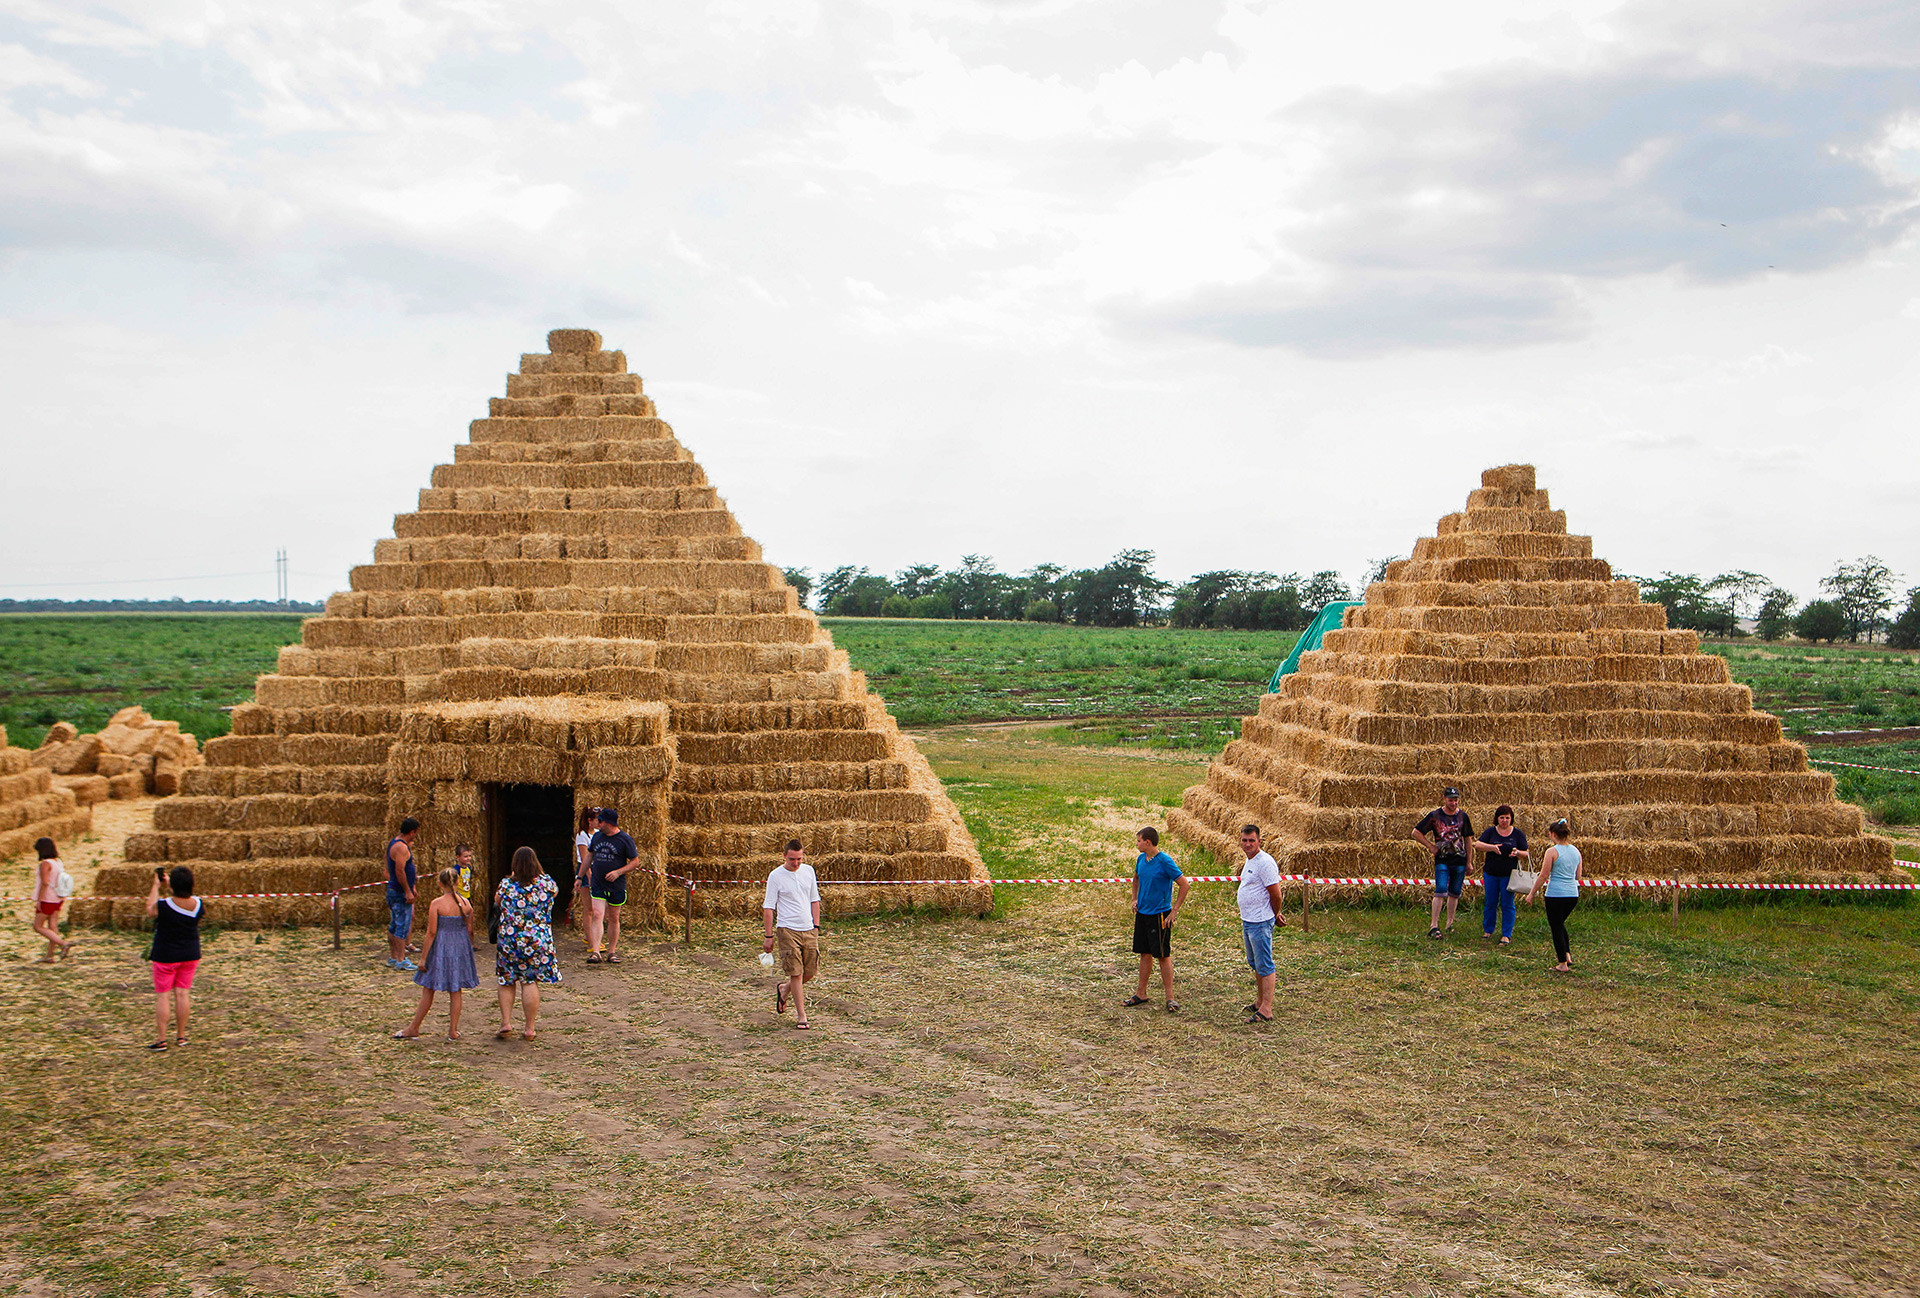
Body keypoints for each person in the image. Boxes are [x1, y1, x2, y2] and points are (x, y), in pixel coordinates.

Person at [395, 866, 479, 1041]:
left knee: (429, 988)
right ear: (457, 882)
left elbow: (431, 933)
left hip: (440, 948)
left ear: (440, 884)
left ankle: (414, 1027)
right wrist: (468, 947)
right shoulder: (466, 903)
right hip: (460, 948)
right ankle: (453, 1031)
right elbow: (470, 930)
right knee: (456, 990)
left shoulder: (436, 904)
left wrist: (423, 958)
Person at [494, 846, 561, 1040]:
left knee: (506, 980)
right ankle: (529, 1028)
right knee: (529, 981)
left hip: (510, 940)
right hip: (537, 941)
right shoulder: (546, 884)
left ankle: (506, 1022)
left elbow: (497, 901)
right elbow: (555, 894)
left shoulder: (506, 884)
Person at [1123, 827, 1190, 1012]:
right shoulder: (1141, 859)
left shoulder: (1165, 861)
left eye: (1138, 841)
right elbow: (1135, 878)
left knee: (1162, 955)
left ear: (1148, 842)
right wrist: (1134, 899)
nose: (1136, 844)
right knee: (1144, 953)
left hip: (1160, 916)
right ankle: (1141, 993)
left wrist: (1174, 911)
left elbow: (1184, 885)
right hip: (1143, 914)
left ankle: (1170, 998)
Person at [762, 839, 822, 1030]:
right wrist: (768, 936)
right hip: (787, 929)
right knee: (796, 973)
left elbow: (815, 900)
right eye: (792, 859)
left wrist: (816, 927)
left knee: (810, 972)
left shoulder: (809, 871)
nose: (796, 863)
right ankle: (801, 1016)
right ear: (784, 856)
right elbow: (769, 907)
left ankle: (784, 988)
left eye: (799, 859)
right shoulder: (775, 876)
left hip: (808, 928)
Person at [145, 865, 203, 1050]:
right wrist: (174, 885)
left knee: (163, 997)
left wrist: (156, 885)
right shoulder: (198, 904)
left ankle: (162, 1039)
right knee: (182, 994)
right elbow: (184, 898)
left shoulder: (164, 906)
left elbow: (150, 909)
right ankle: (181, 1036)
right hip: (190, 954)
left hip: (166, 955)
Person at [1235, 825, 1286, 1023]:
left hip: (1260, 921)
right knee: (1255, 962)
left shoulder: (1265, 863)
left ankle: (1266, 1008)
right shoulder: (1251, 861)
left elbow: (1276, 894)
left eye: (1251, 841)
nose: (1247, 844)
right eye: (1244, 840)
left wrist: (1275, 914)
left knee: (1264, 964)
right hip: (1248, 920)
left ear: (1259, 841)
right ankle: (1259, 1002)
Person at [1412, 788, 1473, 939]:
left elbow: (1468, 839)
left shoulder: (1463, 816)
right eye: (1451, 800)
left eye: (1456, 800)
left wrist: (1469, 861)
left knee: (1455, 892)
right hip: (1442, 860)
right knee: (1440, 889)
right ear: (1444, 799)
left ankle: (1449, 924)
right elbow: (1416, 832)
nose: (1453, 803)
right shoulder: (1435, 816)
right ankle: (1434, 925)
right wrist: (1430, 846)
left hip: (1459, 859)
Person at [1525, 819, 1583, 972]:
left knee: (1556, 927)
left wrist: (1531, 893)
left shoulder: (1552, 852)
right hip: (1572, 893)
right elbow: (1578, 876)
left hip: (1556, 894)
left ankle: (1562, 963)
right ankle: (1567, 954)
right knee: (1560, 924)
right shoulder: (1576, 851)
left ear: (1553, 834)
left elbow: (1544, 875)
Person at [584, 807, 639, 964]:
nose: (597, 823)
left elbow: (635, 862)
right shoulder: (597, 837)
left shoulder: (625, 839)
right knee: (597, 914)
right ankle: (595, 952)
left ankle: (612, 951)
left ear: (608, 823)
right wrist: (580, 876)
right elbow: (589, 856)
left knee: (613, 917)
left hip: (616, 885)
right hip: (598, 882)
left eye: (600, 821)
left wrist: (618, 872)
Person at [1470, 806, 1529, 947]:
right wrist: (1492, 848)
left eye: (1507, 818)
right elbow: (1477, 845)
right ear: (1497, 818)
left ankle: (1506, 934)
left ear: (1511, 819)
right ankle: (1488, 930)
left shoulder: (1517, 834)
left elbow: (1526, 853)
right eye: (1501, 817)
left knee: (1508, 904)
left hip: (1509, 875)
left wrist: (1517, 853)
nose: (1504, 820)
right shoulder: (1490, 832)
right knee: (1490, 902)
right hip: (1491, 874)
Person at [385, 817, 420, 971]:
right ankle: (401, 959)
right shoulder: (401, 847)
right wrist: (407, 890)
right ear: (411, 832)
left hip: (395, 891)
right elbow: (400, 871)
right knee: (401, 927)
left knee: (394, 925)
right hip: (399, 893)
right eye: (415, 833)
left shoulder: (394, 842)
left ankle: (393, 957)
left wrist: (412, 885)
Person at [31, 837, 74, 962]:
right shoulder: (58, 862)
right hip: (58, 898)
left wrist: (39, 900)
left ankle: (63, 944)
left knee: (38, 926)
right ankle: (50, 955)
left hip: (47, 898)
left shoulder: (45, 864)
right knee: (53, 926)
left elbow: (45, 882)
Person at [569, 806, 597, 929]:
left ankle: (594, 936)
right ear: (590, 820)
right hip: (586, 871)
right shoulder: (582, 835)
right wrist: (590, 877)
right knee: (589, 909)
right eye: (597, 820)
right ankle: (591, 942)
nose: (600, 822)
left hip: (596, 869)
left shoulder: (597, 834)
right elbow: (585, 858)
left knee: (598, 909)